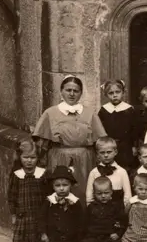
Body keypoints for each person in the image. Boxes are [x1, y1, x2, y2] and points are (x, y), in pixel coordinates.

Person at [32, 75, 107, 203]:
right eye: (68, 90)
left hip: (85, 159)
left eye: (76, 91)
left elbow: (100, 141)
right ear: (61, 91)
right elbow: (41, 142)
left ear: (81, 93)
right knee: (60, 191)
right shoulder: (50, 113)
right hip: (58, 157)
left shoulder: (90, 113)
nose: (72, 94)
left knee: (83, 191)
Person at [7, 139, 49, 242]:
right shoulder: (16, 174)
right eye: (26, 157)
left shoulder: (42, 174)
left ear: (38, 158)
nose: (29, 161)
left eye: (33, 158)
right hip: (24, 215)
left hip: (40, 215)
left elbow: (48, 195)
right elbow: (11, 196)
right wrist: (14, 214)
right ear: (20, 158)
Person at [38, 165, 85, 242]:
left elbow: (80, 220)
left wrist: (79, 236)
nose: (62, 189)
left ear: (70, 185)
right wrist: (43, 233)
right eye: (57, 186)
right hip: (53, 237)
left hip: (70, 237)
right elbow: (42, 218)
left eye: (65, 185)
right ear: (53, 187)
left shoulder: (74, 202)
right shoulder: (49, 201)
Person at [97, 79, 139, 170]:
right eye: (111, 93)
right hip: (109, 146)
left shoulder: (129, 110)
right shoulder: (104, 110)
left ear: (123, 92)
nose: (115, 95)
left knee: (125, 168)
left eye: (117, 92)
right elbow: (99, 129)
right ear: (106, 95)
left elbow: (134, 130)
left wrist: (134, 146)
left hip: (126, 146)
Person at [85, 137, 132, 206]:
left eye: (109, 152)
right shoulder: (94, 172)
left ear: (115, 152)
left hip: (117, 210)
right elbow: (89, 195)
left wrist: (124, 211)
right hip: (98, 210)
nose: (106, 155)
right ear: (97, 154)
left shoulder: (122, 172)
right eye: (102, 153)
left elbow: (127, 195)